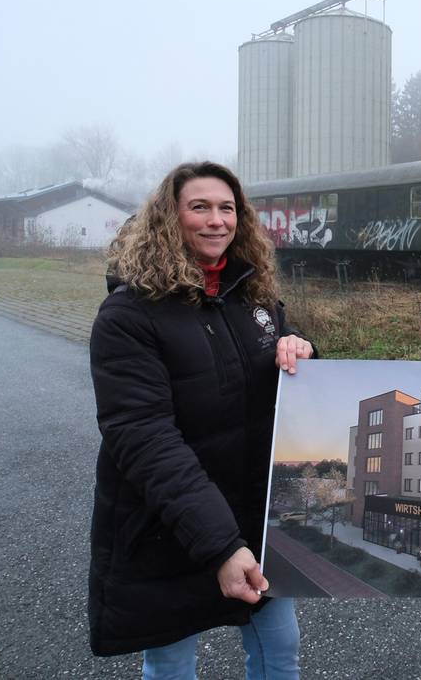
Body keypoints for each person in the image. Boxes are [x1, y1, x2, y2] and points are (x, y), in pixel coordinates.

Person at [88, 161, 314, 679]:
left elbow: (279, 386)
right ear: (170, 218)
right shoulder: (128, 316)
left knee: (280, 653)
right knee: (171, 663)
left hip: (252, 519)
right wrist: (220, 544)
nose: (217, 220)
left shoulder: (253, 298)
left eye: (227, 208)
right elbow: (144, 439)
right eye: (200, 207)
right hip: (169, 525)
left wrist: (301, 349)